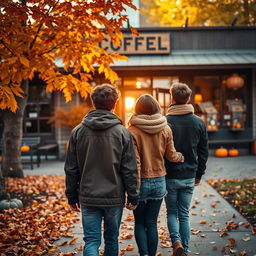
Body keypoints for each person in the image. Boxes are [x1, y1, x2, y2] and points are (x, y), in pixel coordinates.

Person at [64, 84, 139, 256]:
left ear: (93, 102)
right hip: (114, 196)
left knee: (91, 240)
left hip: (88, 195)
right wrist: (133, 195)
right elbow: (129, 169)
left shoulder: (77, 132)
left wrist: (71, 196)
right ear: (114, 104)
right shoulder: (122, 133)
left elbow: (71, 168)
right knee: (112, 239)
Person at [127, 94, 184, 256]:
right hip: (159, 181)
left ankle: (144, 254)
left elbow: (135, 164)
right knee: (151, 223)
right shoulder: (166, 128)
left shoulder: (131, 131)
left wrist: (133, 191)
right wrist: (181, 157)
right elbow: (172, 155)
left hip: (141, 182)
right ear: (157, 108)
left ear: (137, 109)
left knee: (139, 222)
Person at [165, 83, 209, 256]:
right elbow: (203, 152)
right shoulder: (199, 122)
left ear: (172, 98)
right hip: (189, 174)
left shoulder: (165, 122)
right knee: (184, 214)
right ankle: (186, 249)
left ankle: (176, 243)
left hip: (169, 175)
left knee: (171, 212)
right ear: (188, 99)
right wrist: (199, 174)